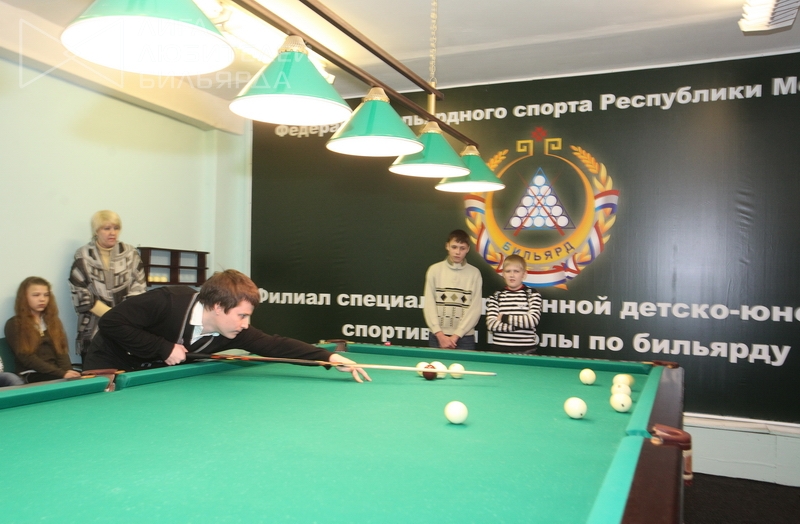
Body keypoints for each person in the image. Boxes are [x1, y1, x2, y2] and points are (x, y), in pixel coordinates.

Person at [83, 269, 371, 383]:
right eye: (242, 315)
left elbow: (275, 345)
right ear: (218, 307)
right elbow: (111, 322)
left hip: (146, 374)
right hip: (109, 363)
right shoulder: (167, 301)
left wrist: (329, 358)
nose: (246, 324)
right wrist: (162, 347)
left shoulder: (230, 331)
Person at [69, 210, 146, 359]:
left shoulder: (131, 254)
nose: (112, 233)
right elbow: (80, 293)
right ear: (96, 231)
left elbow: (139, 287)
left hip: (126, 330)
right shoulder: (82, 255)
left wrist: (122, 318)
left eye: (116, 228)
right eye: (107, 228)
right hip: (93, 331)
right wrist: (113, 317)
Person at [4, 277, 81, 382]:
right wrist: (62, 374)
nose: (42, 299)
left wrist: (68, 371)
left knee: (85, 378)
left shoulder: (52, 321)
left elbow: (61, 352)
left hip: (56, 372)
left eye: (46, 295)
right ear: (24, 297)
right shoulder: (15, 324)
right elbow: (27, 358)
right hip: (32, 373)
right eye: (36, 295)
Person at [423, 229, 483, 350]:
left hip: (465, 337)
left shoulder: (475, 273)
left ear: (468, 249)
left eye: (462, 248)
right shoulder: (434, 270)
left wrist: (457, 335)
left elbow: (475, 309)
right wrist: (439, 334)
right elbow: (429, 305)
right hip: (437, 336)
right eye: (454, 247)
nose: (457, 252)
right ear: (447, 246)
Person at [485, 255, 543, 353]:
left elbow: (532, 321)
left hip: (526, 351)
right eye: (508, 271)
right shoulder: (496, 295)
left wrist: (504, 318)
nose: (512, 275)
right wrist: (521, 325)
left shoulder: (532, 294)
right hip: (499, 351)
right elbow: (491, 325)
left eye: (516, 271)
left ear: (524, 274)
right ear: (503, 274)